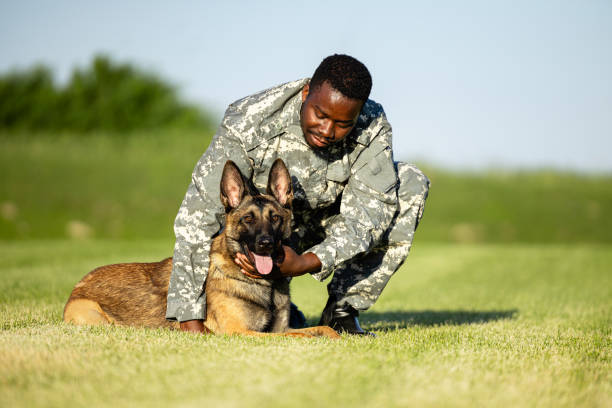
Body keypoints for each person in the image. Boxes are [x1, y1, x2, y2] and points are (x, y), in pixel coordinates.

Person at [166, 54, 429, 336]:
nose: (328, 131)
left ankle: (342, 311)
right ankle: (250, 304)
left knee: (410, 182)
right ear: (306, 93)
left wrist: (305, 262)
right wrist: (189, 317)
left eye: (343, 124)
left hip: (325, 231)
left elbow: (371, 213)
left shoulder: (373, 125)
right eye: (321, 114)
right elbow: (197, 218)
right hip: (258, 231)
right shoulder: (249, 119)